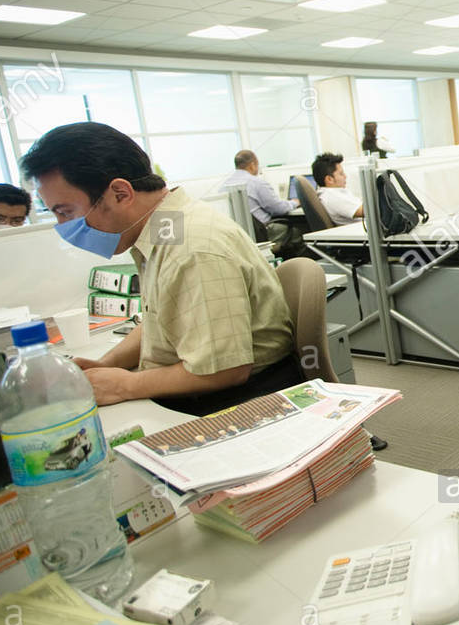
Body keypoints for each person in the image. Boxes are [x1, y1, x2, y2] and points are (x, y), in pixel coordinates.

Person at [20, 123, 298, 414]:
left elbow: (224, 370)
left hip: (240, 401)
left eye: (66, 212)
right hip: (204, 391)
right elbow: (160, 320)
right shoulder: (165, 230)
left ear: (120, 193)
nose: (64, 227)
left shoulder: (192, 246)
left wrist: (123, 384)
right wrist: (105, 366)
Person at [222, 149, 302, 255]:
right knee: (299, 231)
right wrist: (295, 202)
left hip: (241, 235)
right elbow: (279, 208)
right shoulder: (256, 182)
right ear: (252, 165)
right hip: (263, 232)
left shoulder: (224, 186)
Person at [310, 152, 364, 226]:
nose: (345, 176)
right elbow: (366, 211)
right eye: (341, 174)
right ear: (329, 179)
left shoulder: (334, 192)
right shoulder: (332, 197)